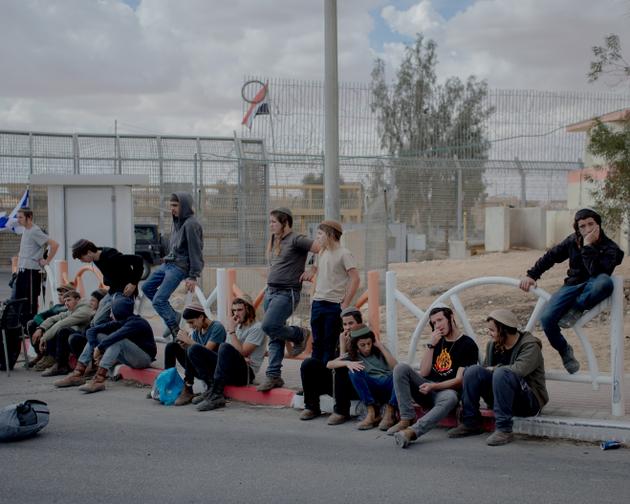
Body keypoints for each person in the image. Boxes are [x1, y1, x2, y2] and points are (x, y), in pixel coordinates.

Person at [519, 208, 624, 374]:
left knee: (605, 282)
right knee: (546, 319)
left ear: (598, 225)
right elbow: (551, 256)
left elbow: (597, 273)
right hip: (572, 285)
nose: (587, 229)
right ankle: (564, 351)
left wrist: (588, 246)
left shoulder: (611, 248)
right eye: (582, 226)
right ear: (577, 228)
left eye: (591, 224)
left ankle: (577, 308)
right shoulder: (572, 240)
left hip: (593, 285)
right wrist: (532, 275)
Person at [448, 309, 548, 446]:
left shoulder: (530, 346)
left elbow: (519, 370)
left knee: (502, 372)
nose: (489, 333)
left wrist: (495, 369)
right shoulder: (493, 345)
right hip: (501, 399)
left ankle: (504, 429)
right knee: (472, 371)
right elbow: (484, 371)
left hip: (528, 401)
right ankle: (470, 422)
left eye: (492, 330)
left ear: (504, 330)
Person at [390, 305, 479, 449]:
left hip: (446, 392)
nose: (437, 326)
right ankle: (407, 418)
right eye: (434, 323)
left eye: (440, 320)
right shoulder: (437, 340)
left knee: (451, 397)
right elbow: (424, 373)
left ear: (451, 318)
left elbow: (459, 381)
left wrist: (434, 386)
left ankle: (412, 431)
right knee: (401, 368)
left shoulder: (467, 344)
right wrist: (431, 346)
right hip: (427, 388)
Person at [256, 207, 320, 392]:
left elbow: (320, 248)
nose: (271, 225)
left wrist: (312, 270)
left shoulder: (297, 239)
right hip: (271, 292)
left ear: (285, 223)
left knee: (268, 326)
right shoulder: (277, 240)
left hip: (287, 293)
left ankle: (300, 334)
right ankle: (273, 376)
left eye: (274, 222)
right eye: (270, 222)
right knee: (275, 335)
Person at [54, 296, 157, 392]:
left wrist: (99, 349)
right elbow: (91, 331)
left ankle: (99, 380)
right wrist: (95, 347)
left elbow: (116, 336)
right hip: (130, 357)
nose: (110, 315)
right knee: (97, 335)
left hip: (143, 359)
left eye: (112, 312)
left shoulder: (137, 323)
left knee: (118, 341)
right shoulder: (120, 321)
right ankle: (77, 374)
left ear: (119, 312)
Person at [142, 193, 204, 339]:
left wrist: (193, 275)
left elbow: (196, 251)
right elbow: (175, 247)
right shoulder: (176, 222)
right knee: (146, 287)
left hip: (180, 267)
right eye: (171, 206)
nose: (172, 209)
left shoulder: (191, 224)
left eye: (175, 205)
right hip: (170, 264)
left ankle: (175, 329)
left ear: (185, 206)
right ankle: (173, 316)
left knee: (158, 300)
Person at [195, 296, 268, 412]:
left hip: (246, 374)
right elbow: (230, 352)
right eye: (234, 310)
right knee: (195, 349)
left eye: (239, 310)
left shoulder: (257, 328)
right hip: (233, 367)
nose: (236, 314)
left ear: (248, 310)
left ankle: (216, 396)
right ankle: (211, 389)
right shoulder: (237, 326)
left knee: (224, 347)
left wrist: (232, 331)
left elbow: (242, 351)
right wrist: (238, 354)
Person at [301, 220, 360, 364]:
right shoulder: (321, 252)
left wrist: (345, 303)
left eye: (320, 234)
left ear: (330, 234)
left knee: (329, 344)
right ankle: (314, 378)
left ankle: (327, 382)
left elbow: (355, 279)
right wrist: (311, 274)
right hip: (318, 303)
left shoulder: (344, 254)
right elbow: (316, 269)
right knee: (317, 343)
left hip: (334, 305)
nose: (317, 237)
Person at [327, 326, 398, 431]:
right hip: (371, 386)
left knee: (399, 374)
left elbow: (395, 366)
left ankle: (390, 413)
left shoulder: (379, 350)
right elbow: (329, 364)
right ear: (356, 345)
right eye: (362, 345)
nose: (367, 348)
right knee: (353, 371)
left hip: (387, 384)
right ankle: (371, 412)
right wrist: (347, 362)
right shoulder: (353, 355)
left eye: (369, 344)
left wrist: (380, 346)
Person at [299, 306, 362, 423]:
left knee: (341, 367)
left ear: (359, 323)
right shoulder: (343, 337)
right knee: (309, 364)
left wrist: (344, 349)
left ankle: (341, 412)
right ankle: (311, 407)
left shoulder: (365, 338)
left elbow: (345, 363)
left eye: (351, 323)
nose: (347, 327)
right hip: (337, 384)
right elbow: (332, 363)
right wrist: (343, 344)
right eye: (345, 324)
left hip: (356, 386)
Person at [162, 302, 227, 406]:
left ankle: (193, 387)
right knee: (172, 346)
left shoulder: (217, 327)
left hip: (213, 368)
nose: (191, 326)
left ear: (201, 317)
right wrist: (184, 345)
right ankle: (166, 384)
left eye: (192, 322)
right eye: (189, 324)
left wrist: (189, 341)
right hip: (200, 367)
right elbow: (194, 351)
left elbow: (207, 350)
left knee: (193, 348)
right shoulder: (197, 331)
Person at [71, 239, 144, 322]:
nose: (81, 261)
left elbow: (138, 259)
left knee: (99, 320)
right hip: (112, 290)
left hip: (124, 291)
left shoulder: (111, 256)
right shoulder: (95, 257)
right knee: (94, 318)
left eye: (81, 258)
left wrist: (133, 283)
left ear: (89, 252)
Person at [12, 208, 59, 322]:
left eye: (21, 217)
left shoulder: (35, 231)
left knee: (30, 303)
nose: (18, 220)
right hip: (23, 271)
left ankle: (29, 328)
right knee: (19, 301)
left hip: (31, 272)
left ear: (29, 217)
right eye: (17, 217)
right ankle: (21, 328)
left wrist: (47, 260)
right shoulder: (25, 230)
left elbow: (54, 244)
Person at [31, 290, 94, 375]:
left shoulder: (84, 310)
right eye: (65, 301)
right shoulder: (72, 310)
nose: (66, 303)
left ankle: (61, 365)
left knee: (63, 331)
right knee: (37, 325)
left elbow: (62, 323)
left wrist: (44, 337)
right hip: (81, 338)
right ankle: (49, 358)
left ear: (78, 299)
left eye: (69, 300)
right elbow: (53, 318)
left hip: (88, 341)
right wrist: (41, 328)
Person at [25, 282, 74, 368]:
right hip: (47, 328)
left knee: (53, 327)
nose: (60, 297)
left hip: (61, 330)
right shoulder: (56, 307)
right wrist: (41, 327)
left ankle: (51, 357)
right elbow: (38, 316)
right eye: (59, 295)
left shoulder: (70, 308)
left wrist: (45, 328)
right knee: (31, 323)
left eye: (62, 295)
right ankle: (40, 354)